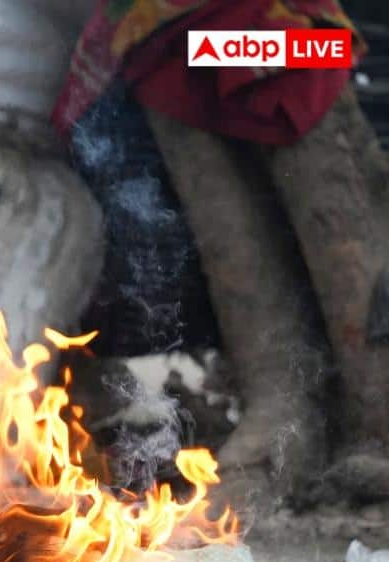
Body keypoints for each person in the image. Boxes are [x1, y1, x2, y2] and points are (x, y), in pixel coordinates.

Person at [56, 0, 389, 504]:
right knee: (227, 219)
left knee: (329, 189)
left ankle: (377, 416)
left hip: (276, 13)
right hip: (159, 29)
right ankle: (281, 415)